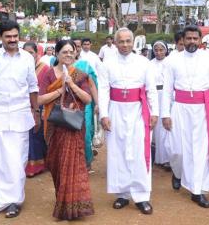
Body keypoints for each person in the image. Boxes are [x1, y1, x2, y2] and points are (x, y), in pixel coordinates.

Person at [161, 25, 209, 209]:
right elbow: (166, 90)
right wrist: (165, 114)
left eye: (195, 39)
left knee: (200, 152)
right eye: (188, 39)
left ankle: (197, 191)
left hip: (203, 111)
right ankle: (178, 172)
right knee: (177, 150)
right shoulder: (173, 60)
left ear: (200, 40)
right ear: (183, 39)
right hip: (179, 109)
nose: (192, 42)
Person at [0, 20, 39, 218]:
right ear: (1, 38)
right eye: (8, 37)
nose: (13, 40)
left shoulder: (27, 59)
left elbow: (33, 87)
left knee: (17, 160)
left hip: (21, 115)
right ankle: (0, 199)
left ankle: (14, 200)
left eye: (15, 36)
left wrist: (36, 111)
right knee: (1, 159)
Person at [99, 28, 159, 215]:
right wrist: (104, 115)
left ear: (133, 42)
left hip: (138, 111)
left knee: (139, 152)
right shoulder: (107, 63)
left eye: (128, 41)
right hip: (116, 110)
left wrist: (155, 112)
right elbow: (103, 90)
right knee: (118, 152)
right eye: (121, 41)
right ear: (115, 43)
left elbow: (151, 89)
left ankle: (142, 196)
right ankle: (123, 194)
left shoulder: (144, 63)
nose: (124, 45)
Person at [38, 40, 94, 220]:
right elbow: (39, 100)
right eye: (64, 52)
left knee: (73, 165)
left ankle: (73, 206)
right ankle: (62, 200)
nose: (68, 55)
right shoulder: (47, 73)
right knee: (56, 164)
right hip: (54, 126)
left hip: (73, 127)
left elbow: (87, 99)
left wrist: (71, 83)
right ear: (57, 53)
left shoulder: (80, 74)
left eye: (71, 51)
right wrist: (59, 91)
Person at [23, 42, 50, 177]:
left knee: (36, 136)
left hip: (39, 106)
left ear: (37, 54)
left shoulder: (44, 68)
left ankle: (37, 166)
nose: (28, 55)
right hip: (22, 106)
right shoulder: (20, 67)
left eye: (31, 53)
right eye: (25, 52)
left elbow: (49, 87)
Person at [72, 39, 99, 169]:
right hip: (66, 105)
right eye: (73, 47)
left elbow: (93, 86)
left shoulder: (85, 65)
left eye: (77, 47)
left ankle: (86, 161)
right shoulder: (59, 65)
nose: (75, 50)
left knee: (86, 132)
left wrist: (97, 103)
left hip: (85, 103)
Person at [150, 41, 170, 170]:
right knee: (156, 126)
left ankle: (168, 158)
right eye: (156, 50)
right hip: (153, 94)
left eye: (161, 50)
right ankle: (158, 157)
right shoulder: (149, 64)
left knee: (166, 126)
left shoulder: (170, 63)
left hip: (167, 94)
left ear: (166, 50)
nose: (158, 52)